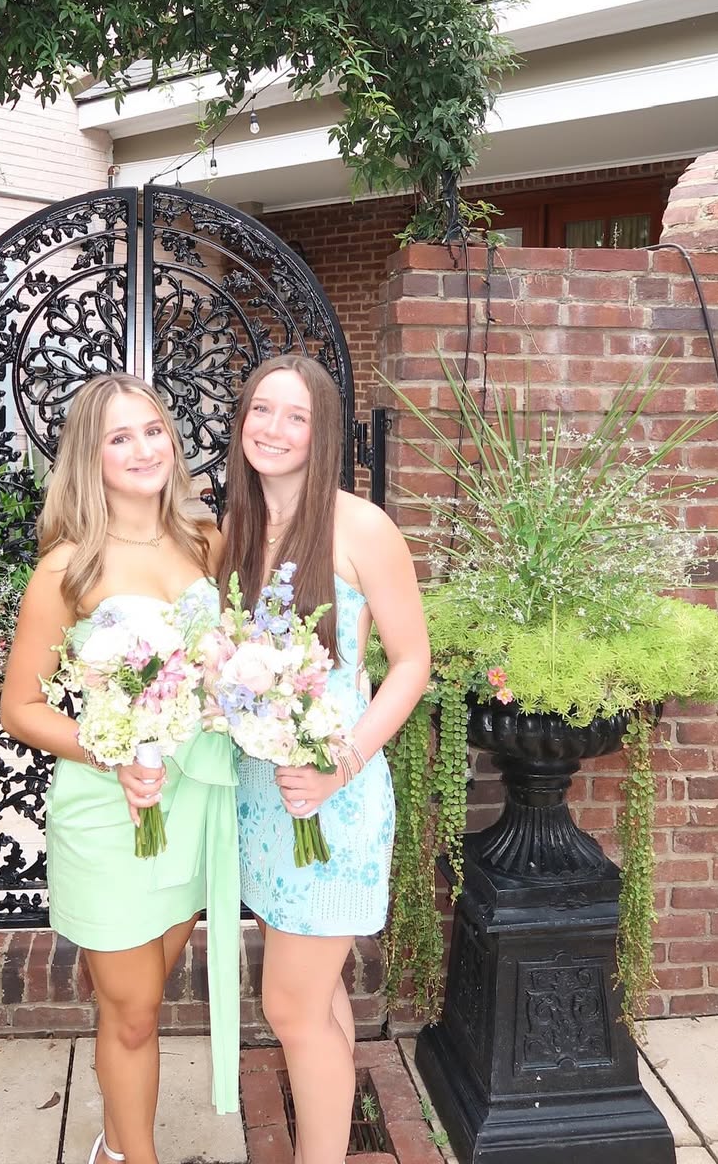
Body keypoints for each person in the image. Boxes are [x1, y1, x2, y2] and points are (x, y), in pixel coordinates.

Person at [0, 373, 239, 1164]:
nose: (143, 449)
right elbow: (21, 707)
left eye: (153, 430)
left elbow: (230, 659)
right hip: (112, 808)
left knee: (144, 994)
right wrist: (110, 750)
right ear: (91, 458)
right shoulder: (66, 570)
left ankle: (112, 1146)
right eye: (119, 437)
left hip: (194, 800)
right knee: (133, 1011)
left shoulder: (206, 542)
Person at [219, 356, 431, 1164]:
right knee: (317, 998)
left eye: (296, 416)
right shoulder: (237, 527)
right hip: (264, 799)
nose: (273, 429)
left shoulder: (361, 527)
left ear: (324, 434)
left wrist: (340, 764)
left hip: (334, 799)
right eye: (261, 410)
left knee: (291, 1008)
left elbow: (411, 663)